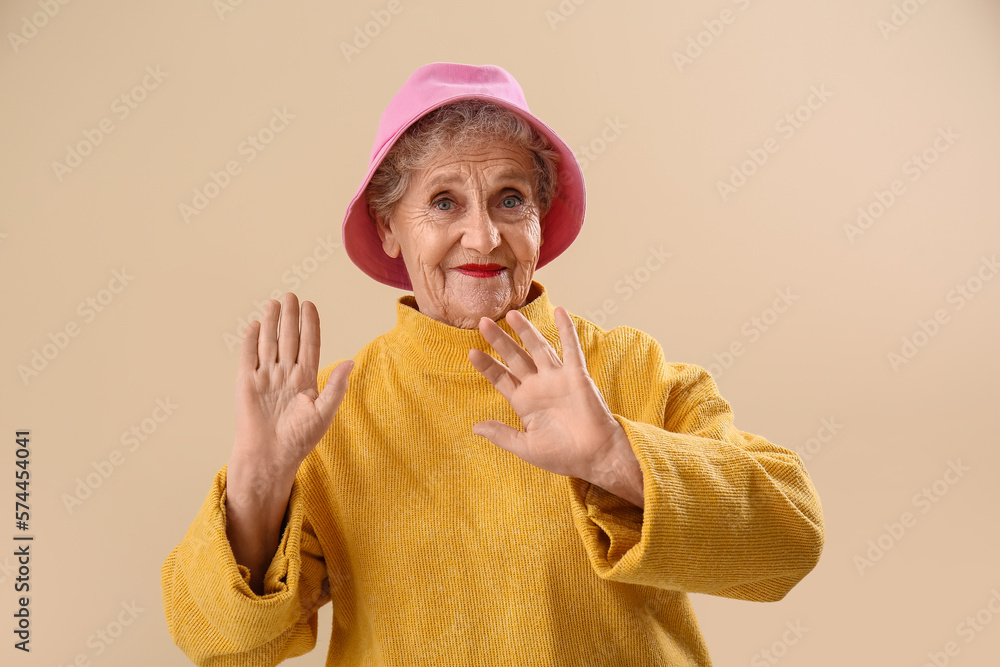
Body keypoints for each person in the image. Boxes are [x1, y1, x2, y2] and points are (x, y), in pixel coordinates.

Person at [160, 61, 824, 666]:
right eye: (444, 201)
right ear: (389, 226)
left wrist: (615, 460)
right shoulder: (332, 413)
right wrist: (260, 478)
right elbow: (217, 644)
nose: (483, 236)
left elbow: (790, 540)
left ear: (539, 219)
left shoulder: (629, 368)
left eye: (511, 198)